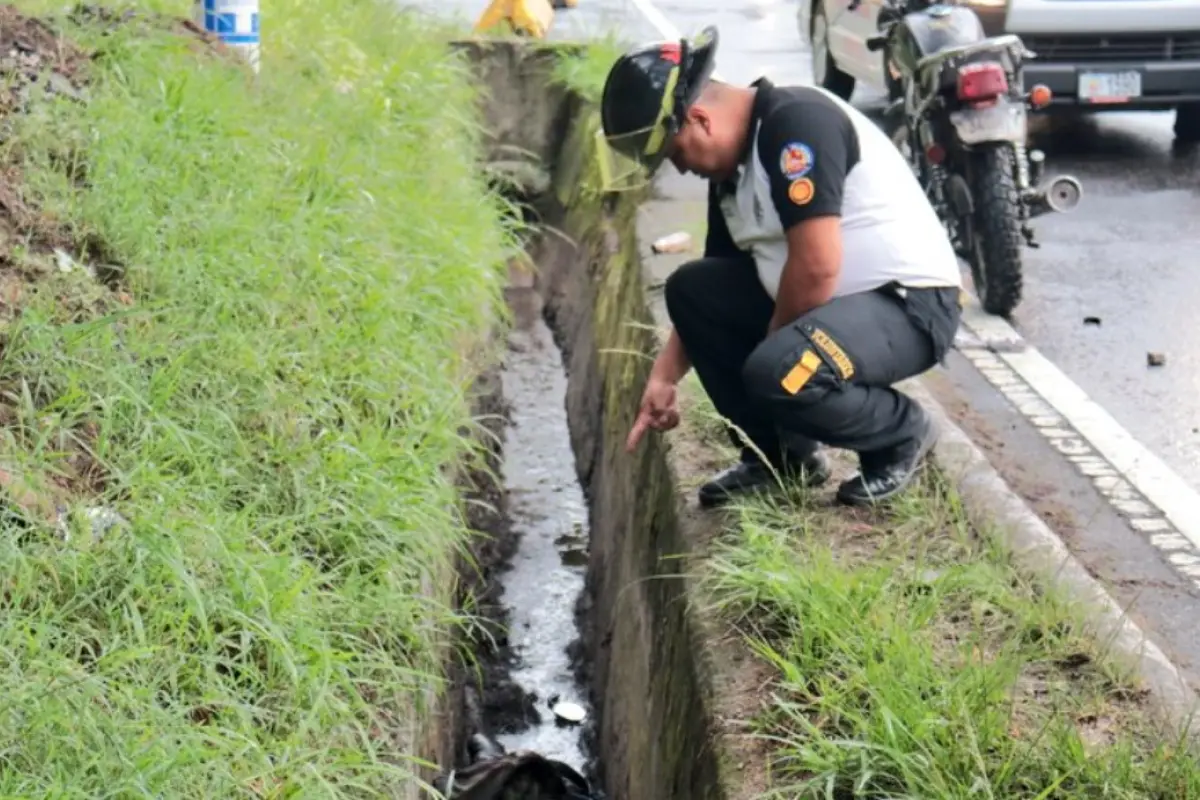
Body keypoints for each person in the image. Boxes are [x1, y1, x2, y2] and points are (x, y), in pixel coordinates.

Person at [599, 25, 963, 508]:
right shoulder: (732, 174)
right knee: (692, 290)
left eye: (676, 154)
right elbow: (718, 283)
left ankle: (900, 433)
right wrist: (664, 377)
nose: (683, 170)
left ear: (701, 120)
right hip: (840, 308)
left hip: (908, 303)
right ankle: (779, 460)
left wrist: (775, 348)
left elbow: (816, 266)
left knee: (781, 370)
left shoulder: (795, 126)